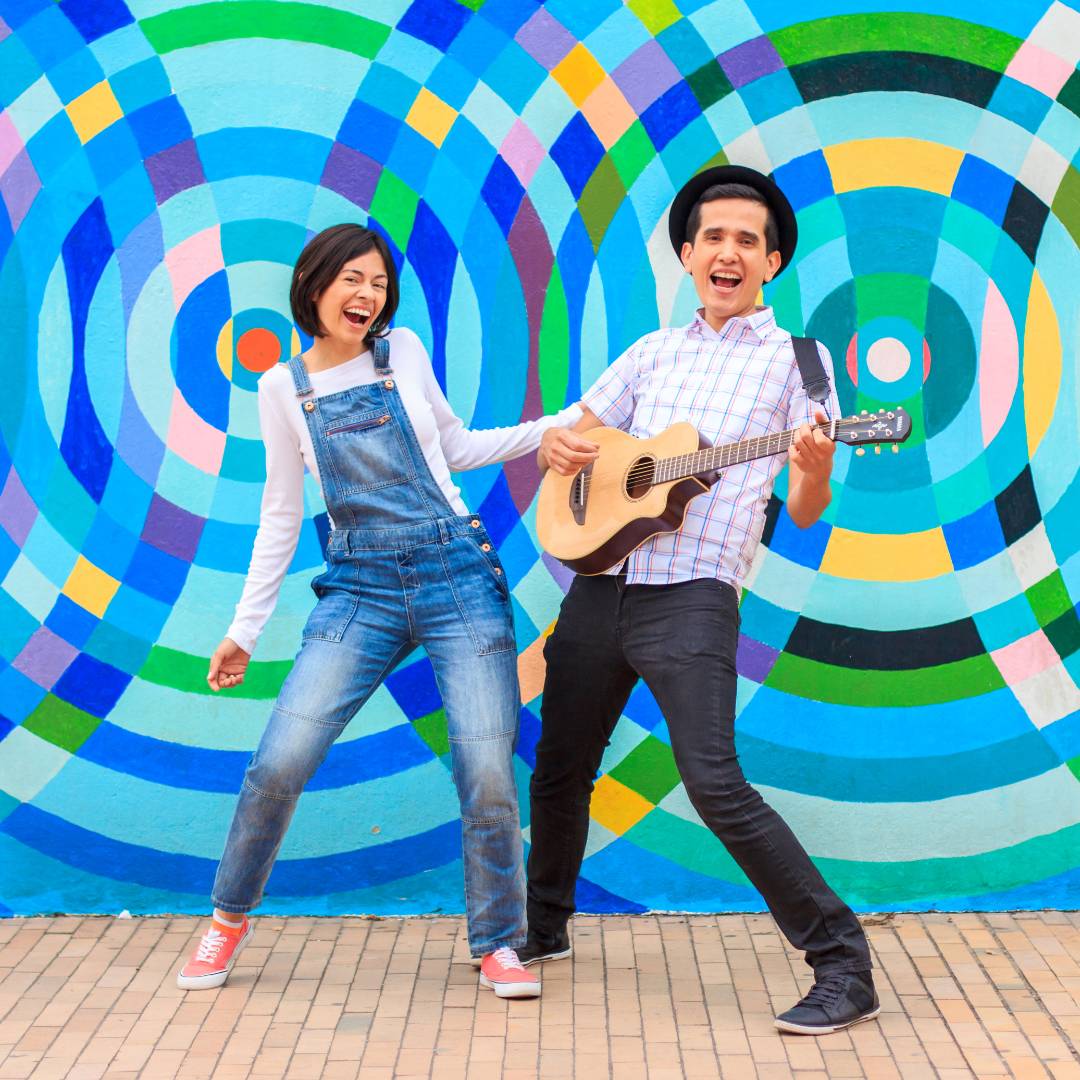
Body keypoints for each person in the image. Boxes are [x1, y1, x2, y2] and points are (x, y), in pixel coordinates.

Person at [176, 223, 582, 999]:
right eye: (352, 279)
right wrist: (243, 630)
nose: (368, 295)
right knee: (278, 762)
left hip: (457, 574)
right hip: (360, 587)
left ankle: (497, 941)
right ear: (314, 286)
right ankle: (227, 918)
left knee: (487, 768)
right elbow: (279, 513)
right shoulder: (282, 388)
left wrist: (553, 429)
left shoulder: (405, 355)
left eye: (379, 282)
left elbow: (456, 448)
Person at [523, 166, 880, 1035]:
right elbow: (574, 434)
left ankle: (844, 964)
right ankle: (540, 930)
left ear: (772, 261)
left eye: (747, 240)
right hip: (600, 584)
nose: (728, 251)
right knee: (560, 767)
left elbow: (801, 508)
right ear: (687, 255)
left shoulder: (800, 363)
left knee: (713, 781)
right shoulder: (652, 352)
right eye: (712, 237)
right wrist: (561, 457)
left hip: (694, 595)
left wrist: (816, 462)